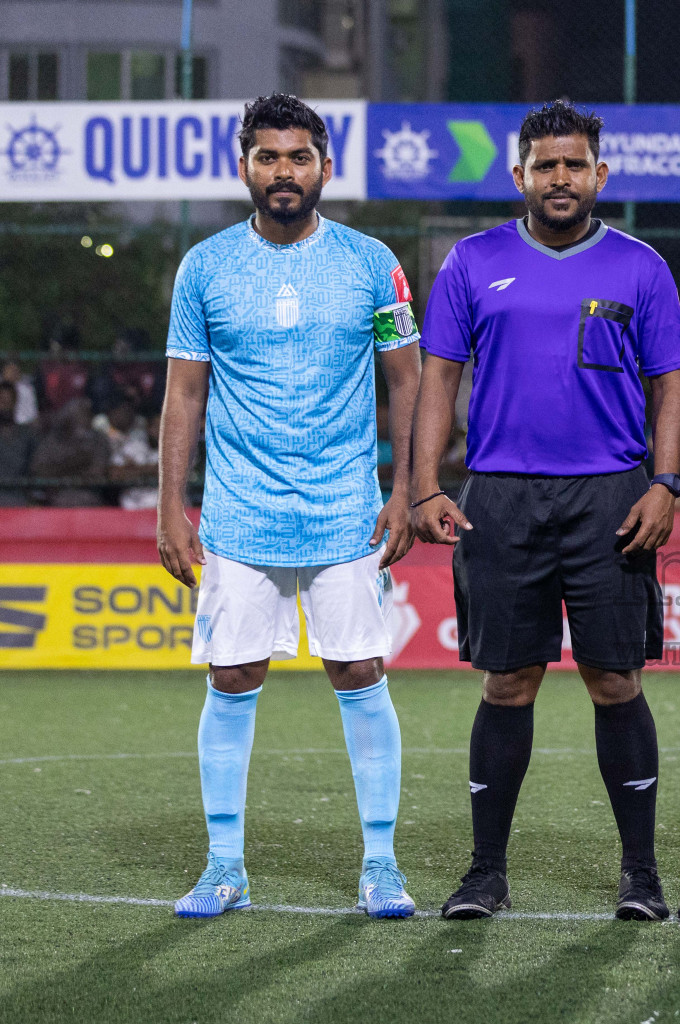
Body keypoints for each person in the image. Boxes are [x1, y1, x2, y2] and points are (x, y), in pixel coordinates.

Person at [411, 100, 680, 923]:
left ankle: (639, 874)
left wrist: (667, 482)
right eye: (546, 166)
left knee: (616, 679)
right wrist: (426, 484)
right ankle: (484, 874)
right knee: (509, 681)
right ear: (521, 176)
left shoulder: (639, 267)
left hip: (611, 497)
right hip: (501, 496)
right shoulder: (472, 262)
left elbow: (671, 381)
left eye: (575, 165)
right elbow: (439, 380)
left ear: (599, 175)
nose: (561, 178)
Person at [157, 94, 423, 920]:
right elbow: (184, 394)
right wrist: (171, 504)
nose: (284, 171)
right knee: (232, 676)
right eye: (268, 156)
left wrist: (407, 488)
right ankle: (223, 866)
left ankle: (380, 863)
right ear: (244, 166)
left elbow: (408, 377)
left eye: (298, 156)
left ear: (324, 168)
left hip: (347, 508)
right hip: (238, 514)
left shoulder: (372, 261)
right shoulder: (204, 266)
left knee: (359, 671)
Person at [29, 397, 108, 507]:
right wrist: (76, 462)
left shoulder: (98, 440)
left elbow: (96, 474)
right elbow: (38, 470)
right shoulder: (53, 440)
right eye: (79, 415)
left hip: (89, 497)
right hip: (56, 497)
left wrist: (58, 472)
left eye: (87, 414)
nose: (84, 420)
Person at [0, 382, 37, 505]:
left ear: (15, 402)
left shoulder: (27, 435)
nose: (4, 405)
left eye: (8, 401)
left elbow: (34, 468)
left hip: (19, 496)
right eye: (1, 401)